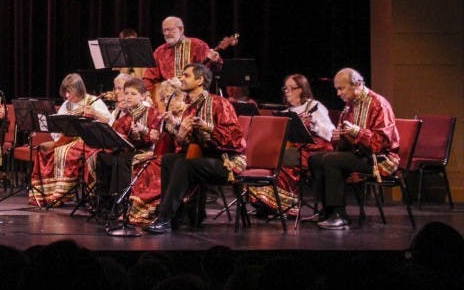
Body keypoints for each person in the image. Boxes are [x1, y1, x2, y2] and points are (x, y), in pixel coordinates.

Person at [144, 63, 245, 233]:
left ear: (200, 80)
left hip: (225, 161)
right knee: (169, 159)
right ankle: (176, 216)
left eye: (186, 75)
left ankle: (164, 218)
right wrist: (180, 133)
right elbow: (186, 145)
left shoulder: (219, 103)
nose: (181, 78)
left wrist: (208, 127)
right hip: (202, 158)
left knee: (184, 165)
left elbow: (235, 139)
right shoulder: (190, 108)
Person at [306, 67, 399, 230]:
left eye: (341, 89)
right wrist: (339, 137)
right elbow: (343, 146)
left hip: (379, 158)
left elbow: (381, 143)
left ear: (356, 84)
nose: (338, 94)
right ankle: (327, 211)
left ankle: (339, 214)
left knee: (331, 160)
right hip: (358, 155)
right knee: (315, 159)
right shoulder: (349, 106)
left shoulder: (379, 104)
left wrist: (357, 131)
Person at [248, 74, 334, 215]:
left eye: (291, 88)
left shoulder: (314, 107)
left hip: (313, 149)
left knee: (283, 161)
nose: (287, 91)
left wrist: (313, 123)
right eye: (285, 88)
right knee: (268, 158)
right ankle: (264, 203)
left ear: (301, 89)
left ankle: (283, 206)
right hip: (293, 149)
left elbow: (330, 133)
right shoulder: (288, 111)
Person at [29, 73, 112, 206]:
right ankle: (45, 193)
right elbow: (56, 129)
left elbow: (109, 122)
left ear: (79, 89)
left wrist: (95, 114)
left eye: (70, 92)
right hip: (68, 140)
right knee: (44, 149)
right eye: (65, 92)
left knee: (67, 152)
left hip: (88, 142)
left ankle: (61, 193)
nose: (67, 96)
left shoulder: (93, 101)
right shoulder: (67, 105)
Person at [91, 77, 164, 224]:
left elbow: (156, 138)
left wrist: (142, 132)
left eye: (133, 94)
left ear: (143, 96)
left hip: (147, 151)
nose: (128, 97)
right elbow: (117, 134)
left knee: (123, 159)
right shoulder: (126, 116)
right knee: (102, 156)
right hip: (129, 150)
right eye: (127, 93)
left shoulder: (152, 113)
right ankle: (105, 201)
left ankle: (122, 203)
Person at [142, 16, 226, 99]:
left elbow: (211, 71)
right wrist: (148, 96)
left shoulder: (198, 46)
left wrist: (216, 61)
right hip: (167, 100)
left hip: (194, 98)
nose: (167, 33)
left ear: (181, 29)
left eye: (170, 30)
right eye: (164, 30)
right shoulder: (160, 51)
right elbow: (148, 77)